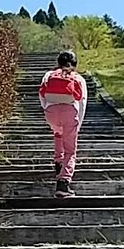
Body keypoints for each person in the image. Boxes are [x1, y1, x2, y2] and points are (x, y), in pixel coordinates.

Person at [38, 49, 87, 197]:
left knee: (58, 134)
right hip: (69, 113)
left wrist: (47, 110)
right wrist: (78, 124)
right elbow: (82, 102)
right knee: (70, 150)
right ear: (75, 64)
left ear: (57, 63)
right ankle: (63, 182)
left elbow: (42, 95)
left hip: (51, 113)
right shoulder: (78, 78)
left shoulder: (48, 75)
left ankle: (58, 165)